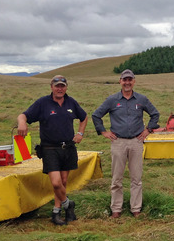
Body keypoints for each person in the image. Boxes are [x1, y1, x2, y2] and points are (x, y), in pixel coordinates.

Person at [17, 75, 88, 226]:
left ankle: (56, 212)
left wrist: (80, 133)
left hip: (68, 147)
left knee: (63, 181)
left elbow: (84, 117)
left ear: (66, 87)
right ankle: (68, 204)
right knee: (56, 183)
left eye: (62, 86)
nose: (60, 89)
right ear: (51, 87)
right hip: (50, 148)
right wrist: (22, 123)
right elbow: (24, 115)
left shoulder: (71, 102)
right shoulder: (43, 103)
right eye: (57, 86)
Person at [92, 69, 160, 218]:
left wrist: (148, 130)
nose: (127, 82)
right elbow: (96, 115)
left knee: (137, 178)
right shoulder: (112, 100)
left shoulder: (141, 99)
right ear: (120, 81)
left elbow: (155, 114)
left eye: (130, 80)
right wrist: (104, 132)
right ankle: (116, 209)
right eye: (125, 80)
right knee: (117, 178)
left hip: (137, 142)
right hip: (118, 142)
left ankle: (136, 208)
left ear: (134, 81)